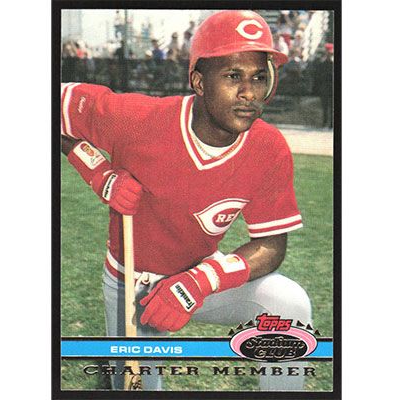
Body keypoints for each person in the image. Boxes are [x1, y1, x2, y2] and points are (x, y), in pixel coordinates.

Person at [61, 10, 312, 391]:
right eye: (233, 76)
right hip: (133, 283)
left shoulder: (268, 147)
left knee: (288, 303)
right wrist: (97, 171)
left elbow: (271, 244)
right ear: (198, 81)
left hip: (196, 275)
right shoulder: (136, 118)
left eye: (259, 77)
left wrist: (198, 282)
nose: (250, 93)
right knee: (135, 387)